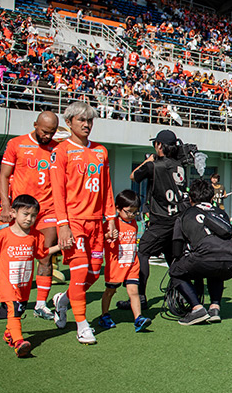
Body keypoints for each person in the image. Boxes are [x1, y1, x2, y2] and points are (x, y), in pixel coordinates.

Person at [49, 101, 117, 345]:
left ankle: (63, 300)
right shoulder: (61, 151)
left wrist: (111, 219)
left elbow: (106, 188)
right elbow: (57, 192)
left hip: (96, 223)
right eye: (81, 120)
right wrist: (63, 225)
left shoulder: (101, 151)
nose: (87, 124)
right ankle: (82, 325)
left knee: (94, 273)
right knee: (79, 273)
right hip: (73, 222)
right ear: (69, 123)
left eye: (90, 120)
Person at [0, 195, 61, 357]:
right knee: (13, 309)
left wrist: (60, 247)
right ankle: (19, 342)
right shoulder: (4, 234)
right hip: (7, 283)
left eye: (33, 215)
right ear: (13, 213)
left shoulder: (36, 236)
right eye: (25, 214)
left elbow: (42, 254)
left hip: (24, 284)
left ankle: (9, 333)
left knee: (18, 311)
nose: (29, 219)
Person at [0, 111, 61, 321]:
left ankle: (41, 304)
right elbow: (4, 176)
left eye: (52, 132)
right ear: (35, 125)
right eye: (44, 131)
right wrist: (6, 205)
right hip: (22, 210)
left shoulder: (57, 148)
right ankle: (11, 301)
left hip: (48, 210)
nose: (48, 136)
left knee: (45, 255)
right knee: (18, 258)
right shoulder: (16, 144)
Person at [129, 130, 188, 310]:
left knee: (142, 252)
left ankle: (140, 297)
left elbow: (134, 176)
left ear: (159, 145)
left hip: (161, 220)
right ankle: (184, 297)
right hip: (178, 220)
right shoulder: (180, 165)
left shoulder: (155, 165)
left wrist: (149, 160)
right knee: (173, 258)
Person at [169, 178, 232, 325]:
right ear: (212, 197)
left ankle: (197, 309)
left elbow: (176, 251)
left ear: (190, 198)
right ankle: (215, 307)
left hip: (205, 259)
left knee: (175, 271)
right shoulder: (221, 213)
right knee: (215, 267)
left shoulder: (185, 215)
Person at [97, 190, 152, 333]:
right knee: (110, 291)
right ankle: (104, 315)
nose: (132, 215)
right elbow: (99, 239)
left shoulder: (134, 223)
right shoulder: (111, 224)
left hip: (132, 264)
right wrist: (108, 236)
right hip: (116, 265)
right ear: (118, 209)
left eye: (135, 212)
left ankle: (138, 318)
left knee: (134, 291)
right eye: (128, 212)